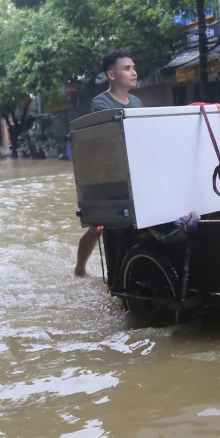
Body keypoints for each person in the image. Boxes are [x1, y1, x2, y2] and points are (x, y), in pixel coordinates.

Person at [76, 49, 145, 276]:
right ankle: (80, 269)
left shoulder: (136, 102)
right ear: (111, 75)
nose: (133, 72)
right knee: (96, 228)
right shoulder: (101, 103)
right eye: (127, 68)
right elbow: (112, 139)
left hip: (137, 172)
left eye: (133, 68)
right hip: (110, 176)